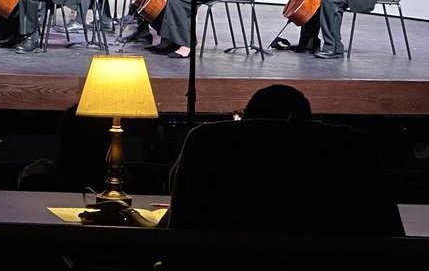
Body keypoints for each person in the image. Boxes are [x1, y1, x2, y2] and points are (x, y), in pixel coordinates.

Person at [163, 84, 404, 238]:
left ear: (247, 121)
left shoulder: (205, 141)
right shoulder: (355, 148)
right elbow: (388, 229)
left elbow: (179, 222)